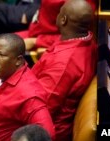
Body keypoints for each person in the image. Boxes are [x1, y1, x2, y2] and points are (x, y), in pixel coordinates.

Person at [31, 0, 97, 141]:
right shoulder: (85, 39)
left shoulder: (63, 66)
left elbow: (39, 109)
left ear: (63, 19)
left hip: (40, 131)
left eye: (60, 11)